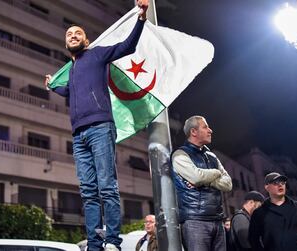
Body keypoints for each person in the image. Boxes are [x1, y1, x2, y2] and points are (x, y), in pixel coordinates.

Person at [44, 1, 149, 250]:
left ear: (86, 40)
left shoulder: (97, 54)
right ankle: (94, 242)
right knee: (88, 192)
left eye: (77, 33)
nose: (72, 36)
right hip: (78, 135)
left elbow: (128, 46)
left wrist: (141, 18)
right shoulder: (71, 69)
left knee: (107, 186)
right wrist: (51, 85)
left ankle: (112, 241)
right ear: (66, 43)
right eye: (69, 34)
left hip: (101, 127)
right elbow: (68, 91)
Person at [171, 115, 233, 251]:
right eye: (205, 127)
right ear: (193, 132)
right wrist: (216, 173)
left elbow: (228, 184)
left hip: (217, 220)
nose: (210, 130)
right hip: (195, 220)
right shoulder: (180, 154)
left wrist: (205, 179)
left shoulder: (212, 156)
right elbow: (196, 178)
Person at [249, 172, 297, 251]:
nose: (280, 185)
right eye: (275, 183)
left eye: (283, 183)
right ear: (267, 187)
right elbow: (253, 240)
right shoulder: (259, 213)